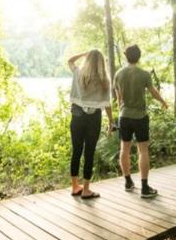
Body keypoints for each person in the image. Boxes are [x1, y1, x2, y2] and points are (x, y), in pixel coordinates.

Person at [114, 44, 168, 198]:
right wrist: (163, 102)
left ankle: (128, 182)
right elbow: (153, 92)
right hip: (140, 117)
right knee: (143, 151)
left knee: (124, 149)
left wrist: (121, 111)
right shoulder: (144, 74)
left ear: (126, 56)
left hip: (124, 116)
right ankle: (144, 188)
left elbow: (118, 99)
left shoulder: (118, 74)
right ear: (139, 56)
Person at [67, 49, 114, 199]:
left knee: (76, 151)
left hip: (77, 116)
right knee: (89, 153)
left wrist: (83, 53)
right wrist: (111, 121)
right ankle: (86, 189)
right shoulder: (103, 80)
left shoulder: (78, 73)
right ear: (101, 62)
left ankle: (75, 186)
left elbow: (70, 61)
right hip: (94, 119)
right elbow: (107, 104)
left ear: (87, 60)